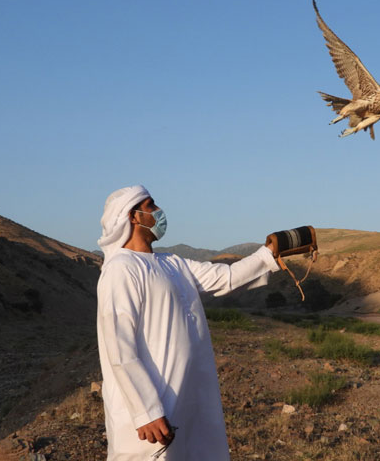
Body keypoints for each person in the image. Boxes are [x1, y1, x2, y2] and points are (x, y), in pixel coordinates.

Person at [95, 185, 279, 460]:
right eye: (150, 205)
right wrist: (146, 411)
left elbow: (226, 278)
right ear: (132, 216)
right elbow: (120, 348)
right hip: (152, 406)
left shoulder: (172, 263)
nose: (159, 211)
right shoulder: (121, 269)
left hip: (187, 396)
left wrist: (269, 253)